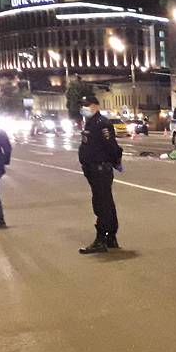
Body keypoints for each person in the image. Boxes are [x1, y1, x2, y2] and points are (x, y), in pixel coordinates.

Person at [77, 95, 124, 254]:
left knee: (102, 204)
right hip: (93, 169)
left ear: (96, 106)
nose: (84, 108)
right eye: (83, 105)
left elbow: (111, 146)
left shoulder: (101, 123)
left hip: (100, 169)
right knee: (105, 202)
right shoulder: (91, 122)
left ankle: (102, 239)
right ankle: (110, 237)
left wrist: (115, 161)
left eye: (87, 105)